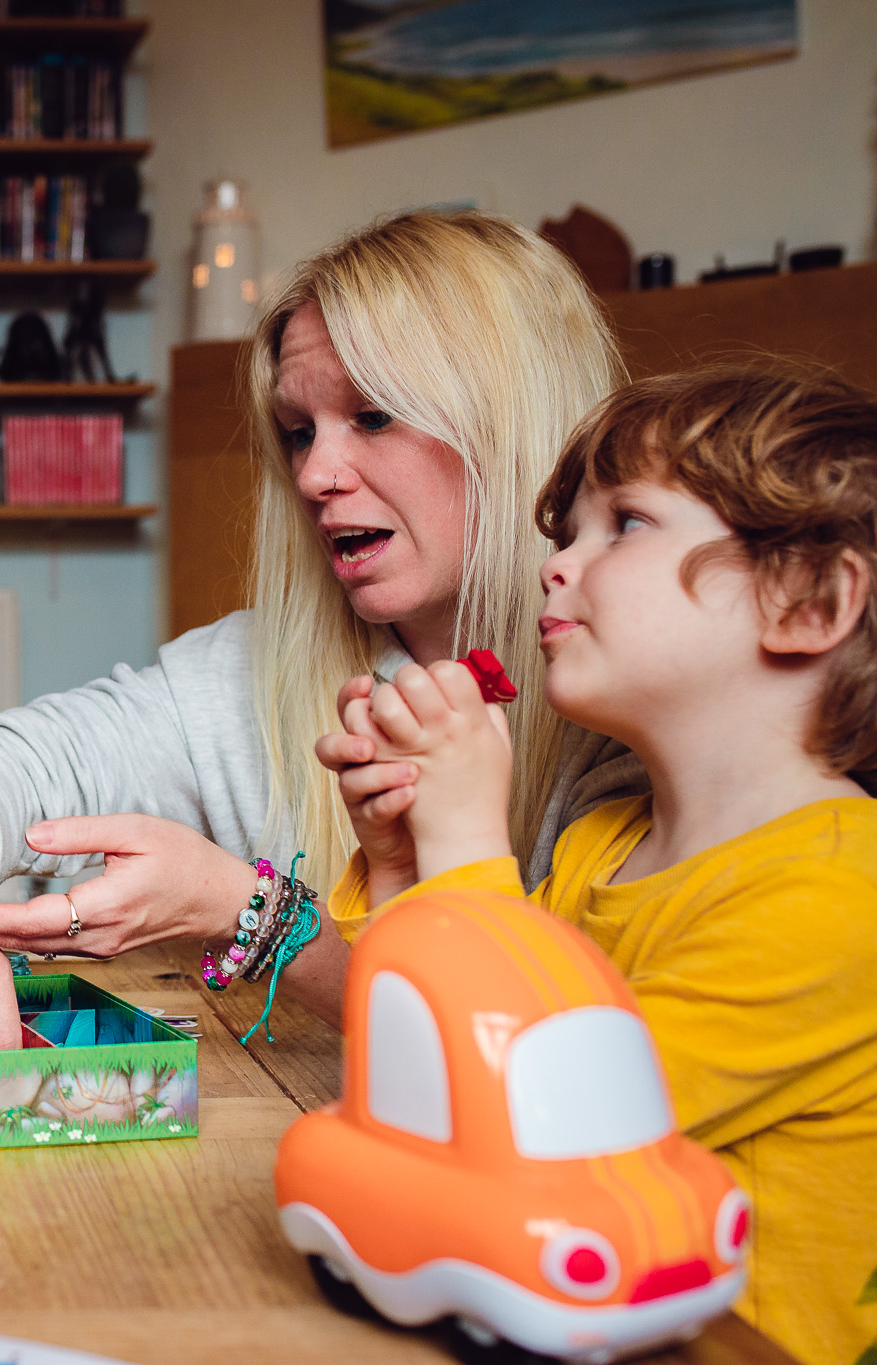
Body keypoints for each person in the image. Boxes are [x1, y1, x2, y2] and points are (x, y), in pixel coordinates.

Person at [0, 210, 637, 1051]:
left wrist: (248, 913)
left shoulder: (635, 706)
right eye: (297, 433)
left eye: (374, 416)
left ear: (515, 424)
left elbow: (551, 1067)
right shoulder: (247, 673)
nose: (316, 475)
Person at [319, 367, 877, 1365]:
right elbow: (422, 1078)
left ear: (807, 600)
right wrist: (402, 859)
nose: (555, 566)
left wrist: (463, 843)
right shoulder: (597, 842)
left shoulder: (840, 897)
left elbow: (543, 1125)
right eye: (562, 532)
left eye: (622, 524)